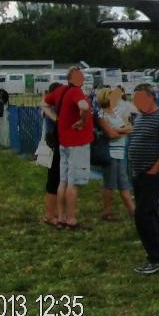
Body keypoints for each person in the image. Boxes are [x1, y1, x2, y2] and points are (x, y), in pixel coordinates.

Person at [128, 83, 159, 274]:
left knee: (143, 214)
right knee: (150, 214)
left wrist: (154, 170)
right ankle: (158, 253)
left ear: (151, 98)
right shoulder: (140, 118)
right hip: (140, 174)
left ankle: (156, 257)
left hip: (154, 174)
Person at [44, 67, 93, 230]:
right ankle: (71, 218)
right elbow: (84, 107)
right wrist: (82, 121)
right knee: (73, 182)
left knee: (63, 180)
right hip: (77, 142)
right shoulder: (76, 92)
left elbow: (43, 103)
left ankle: (61, 216)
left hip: (63, 142)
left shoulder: (60, 91)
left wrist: (55, 118)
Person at [96, 86, 135, 221]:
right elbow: (111, 134)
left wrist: (117, 130)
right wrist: (121, 130)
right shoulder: (101, 115)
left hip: (120, 152)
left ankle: (132, 209)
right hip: (110, 153)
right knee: (110, 183)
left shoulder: (118, 112)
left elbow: (130, 128)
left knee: (123, 181)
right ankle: (107, 211)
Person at [39, 82, 63, 226]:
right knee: (54, 181)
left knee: (55, 180)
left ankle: (53, 213)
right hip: (54, 146)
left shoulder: (46, 106)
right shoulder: (52, 108)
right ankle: (50, 215)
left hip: (52, 146)